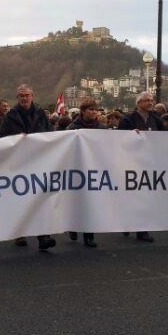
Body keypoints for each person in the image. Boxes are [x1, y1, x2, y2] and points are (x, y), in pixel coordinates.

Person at [0, 84, 56, 251]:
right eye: (21, 96)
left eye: (26, 95)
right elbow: (2, 137)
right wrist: (16, 139)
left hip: (39, 161)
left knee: (40, 198)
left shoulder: (41, 114)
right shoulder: (10, 116)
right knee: (21, 198)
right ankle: (20, 232)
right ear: (17, 98)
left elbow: (50, 134)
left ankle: (43, 236)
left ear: (32, 96)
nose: (24, 98)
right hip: (19, 163)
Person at [117, 92, 162, 243]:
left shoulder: (156, 119)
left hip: (149, 163)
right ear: (139, 103)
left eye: (151, 100)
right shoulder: (128, 119)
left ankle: (142, 229)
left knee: (144, 197)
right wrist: (130, 136)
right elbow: (118, 140)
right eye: (147, 100)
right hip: (132, 163)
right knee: (131, 196)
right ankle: (127, 221)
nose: (150, 103)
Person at [65, 98, 104, 248]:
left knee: (91, 202)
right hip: (77, 168)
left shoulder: (102, 128)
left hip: (94, 169)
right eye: (90, 109)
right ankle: (73, 226)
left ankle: (89, 235)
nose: (94, 112)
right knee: (76, 201)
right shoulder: (72, 127)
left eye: (95, 109)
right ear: (83, 111)